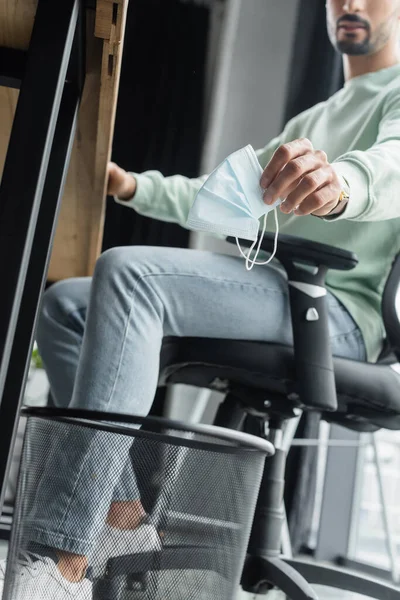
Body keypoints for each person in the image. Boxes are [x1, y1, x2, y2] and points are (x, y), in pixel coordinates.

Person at [2, 0, 400, 597]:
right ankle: (120, 519)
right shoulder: (316, 116)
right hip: (283, 293)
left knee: (129, 272)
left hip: (336, 313)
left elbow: (390, 166)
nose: (349, 4)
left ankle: (67, 560)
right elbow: (222, 198)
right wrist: (133, 186)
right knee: (67, 307)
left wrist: (343, 186)